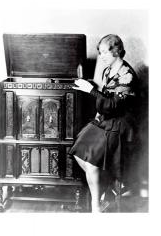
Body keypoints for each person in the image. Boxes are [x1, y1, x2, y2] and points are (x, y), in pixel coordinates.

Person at [69, 34, 138, 212]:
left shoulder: (127, 76)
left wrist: (91, 90)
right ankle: (102, 191)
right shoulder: (109, 70)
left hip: (119, 125)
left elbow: (113, 105)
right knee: (78, 151)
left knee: (91, 164)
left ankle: (96, 207)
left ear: (116, 51)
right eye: (100, 53)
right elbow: (106, 99)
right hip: (105, 119)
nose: (102, 57)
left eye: (105, 52)